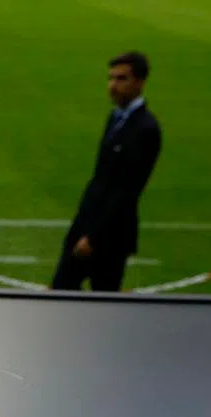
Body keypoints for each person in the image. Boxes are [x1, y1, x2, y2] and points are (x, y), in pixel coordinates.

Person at [52, 52, 162, 293]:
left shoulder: (146, 129)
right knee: (61, 291)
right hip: (87, 223)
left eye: (121, 79)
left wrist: (93, 236)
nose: (112, 86)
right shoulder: (115, 118)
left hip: (110, 236)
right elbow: (101, 176)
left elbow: (128, 190)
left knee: (102, 301)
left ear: (140, 82)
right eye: (110, 78)